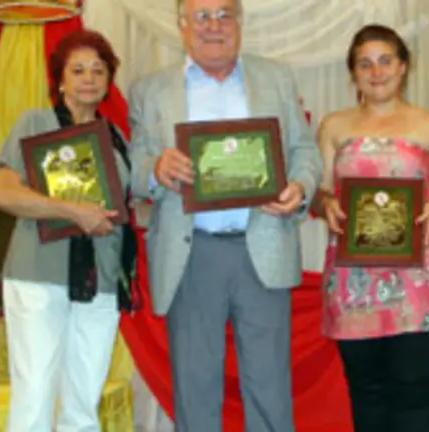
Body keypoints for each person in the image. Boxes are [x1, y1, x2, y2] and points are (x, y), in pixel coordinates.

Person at [127, 0, 322, 430]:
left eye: (224, 14)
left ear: (239, 23)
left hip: (263, 246)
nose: (214, 25)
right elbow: (134, 169)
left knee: (269, 385)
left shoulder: (276, 78)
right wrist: (156, 170)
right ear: (181, 27)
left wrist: (300, 187)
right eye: (201, 16)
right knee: (195, 387)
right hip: (191, 252)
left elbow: (304, 151)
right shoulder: (150, 90)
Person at [313, 24, 429, 432]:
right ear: (353, 73)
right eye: (365, 64)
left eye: (385, 61)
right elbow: (319, 193)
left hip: (416, 277)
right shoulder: (334, 127)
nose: (376, 72)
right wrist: (324, 203)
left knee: (413, 388)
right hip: (351, 278)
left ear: (403, 67)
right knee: (366, 390)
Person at [0, 29, 137, 431]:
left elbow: (128, 204)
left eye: (98, 69)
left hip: (101, 280)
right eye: (78, 70)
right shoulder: (35, 122)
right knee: (35, 391)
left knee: (84, 399)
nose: (89, 77)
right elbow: (3, 194)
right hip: (38, 274)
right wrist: (74, 211)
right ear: (60, 79)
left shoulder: (118, 138)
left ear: (109, 79)